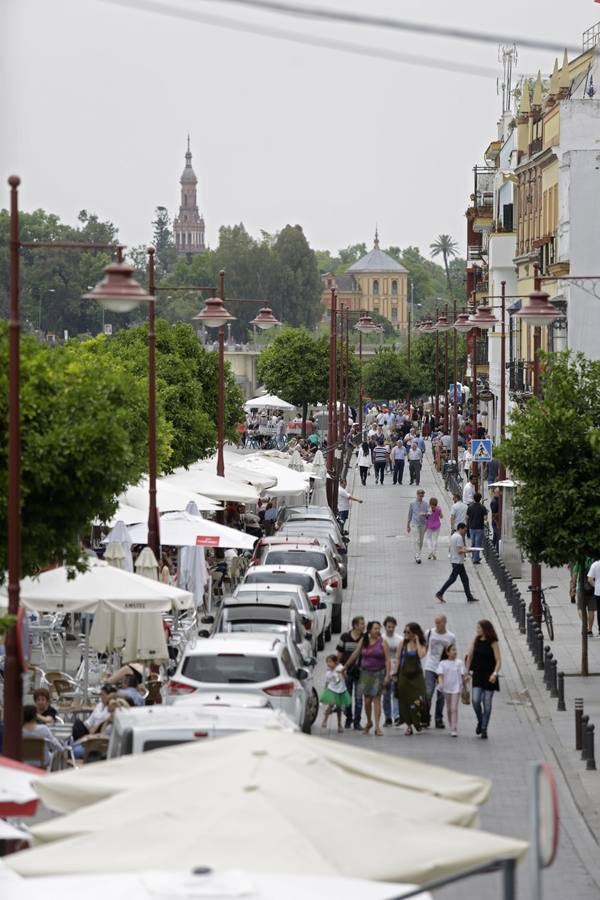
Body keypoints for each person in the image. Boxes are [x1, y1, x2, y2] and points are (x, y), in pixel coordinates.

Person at [343, 620, 391, 736]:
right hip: (365, 674)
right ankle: (369, 722)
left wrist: (387, 675)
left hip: (379, 673)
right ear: (369, 630)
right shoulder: (363, 641)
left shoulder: (383, 642)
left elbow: (388, 660)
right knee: (367, 701)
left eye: (379, 629)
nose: (378, 631)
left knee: (377, 699)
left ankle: (377, 727)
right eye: (375, 628)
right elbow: (355, 654)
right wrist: (345, 666)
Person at [466, 620, 501, 739]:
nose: (477, 629)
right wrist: (466, 673)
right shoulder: (476, 640)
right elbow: (469, 656)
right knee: (475, 700)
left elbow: (498, 661)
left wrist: (495, 674)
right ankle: (480, 721)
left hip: (490, 676)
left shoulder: (493, 642)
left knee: (487, 703)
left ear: (486, 629)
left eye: (479, 628)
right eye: (477, 627)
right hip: (477, 675)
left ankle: (484, 728)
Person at [423, 615, 456, 729]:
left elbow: (452, 652)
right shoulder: (429, 633)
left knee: (441, 695)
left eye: (439, 623)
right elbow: (424, 647)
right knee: (428, 692)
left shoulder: (450, 636)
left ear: (444, 623)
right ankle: (425, 717)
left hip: (444, 668)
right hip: (430, 666)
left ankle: (438, 718)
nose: (437, 625)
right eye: (435, 623)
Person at [395, 622, 428, 735]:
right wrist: (395, 673)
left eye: (408, 632)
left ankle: (418, 720)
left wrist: (417, 641)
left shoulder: (422, 644)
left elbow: (421, 655)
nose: (405, 634)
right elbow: (398, 659)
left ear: (414, 633)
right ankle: (409, 726)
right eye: (404, 631)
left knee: (420, 699)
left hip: (417, 677)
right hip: (404, 676)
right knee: (405, 701)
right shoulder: (402, 643)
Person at [435, 522, 479, 603]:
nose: (465, 532)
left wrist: (463, 548)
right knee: (452, 579)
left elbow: (451, 548)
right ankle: (440, 593)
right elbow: (459, 550)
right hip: (457, 561)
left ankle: (469, 597)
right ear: (461, 529)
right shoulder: (459, 537)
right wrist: (469, 550)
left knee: (465, 579)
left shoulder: (453, 536)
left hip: (456, 560)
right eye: (465, 530)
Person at [336, 616, 365, 729]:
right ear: (355, 625)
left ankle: (357, 722)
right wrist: (339, 669)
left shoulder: (365, 638)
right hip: (346, 672)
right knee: (347, 697)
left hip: (360, 672)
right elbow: (339, 654)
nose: (364, 625)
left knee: (358, 698)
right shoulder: (344, 637)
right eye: (362, 624)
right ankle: (349, 719)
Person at [437, 644, 468, 736]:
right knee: (449, 708)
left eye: (455, 650)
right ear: (447, 652)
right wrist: (441, 683)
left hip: (457, 688)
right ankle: (451, 724)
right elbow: (440, 675)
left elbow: (463, 676)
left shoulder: (459, 663)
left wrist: (465, 684)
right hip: (446, 688)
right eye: (453, 650)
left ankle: (454, 727)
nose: (455, 652)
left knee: (454, 708)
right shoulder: (443, 663)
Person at [320, 655, 352, 733]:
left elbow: (346, 678)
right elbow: (327, 682)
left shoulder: (340, 668)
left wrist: (343, 673)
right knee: (331, 704)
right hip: (331, 690)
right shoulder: (328, 672)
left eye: (330, 662)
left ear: (335, 662)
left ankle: (339, 724)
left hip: (340, 691)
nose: (328, 664)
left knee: (338, 708)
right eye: (327, 662)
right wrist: (325, 690)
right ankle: (325, 720)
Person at [381, 616, 401, 726]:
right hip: (384, 670)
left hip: (396, 670)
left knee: (395, 694)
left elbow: (400, 657)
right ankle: (388, 717)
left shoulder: (399, 639)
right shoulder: (382, 639)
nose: (390, 629)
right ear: (385, 627)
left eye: (392, 627)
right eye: (388, 627)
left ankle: (396, 716)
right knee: (386, 695)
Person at [407, 489, 429, 564]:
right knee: (417, 540)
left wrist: (426, 515)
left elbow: (429, 514)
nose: (421, 496)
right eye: (420, 494)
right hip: (415, 523)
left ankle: (417, 554)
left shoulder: (425, 504)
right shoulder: (412, 503)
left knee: (421, 541)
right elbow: (409, 514)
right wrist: (408, 525)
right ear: (417, 494)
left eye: (422, 495)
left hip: (423, 524)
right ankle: (418, 556)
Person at [466, 492, 488, 564]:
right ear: (480, 499)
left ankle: (474, 556)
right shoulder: (482, 507)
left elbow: (467, 517)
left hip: (472, 527)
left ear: (474, 498)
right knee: (478, 543)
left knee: (473, 542)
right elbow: (485, 518)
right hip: (479, 527)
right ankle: (476, 558)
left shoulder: (470, 507)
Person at [490, 487, 501, 552]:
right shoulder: (495, 501)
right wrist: (497, 522)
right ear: (494, 493)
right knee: (497, 536)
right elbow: (494, 514)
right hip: (496, 521)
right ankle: (496, 551)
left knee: (495, 536)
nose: (499, 494)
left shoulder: (496, 500)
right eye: (498, 492)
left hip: (495, 521)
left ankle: (493, 549)